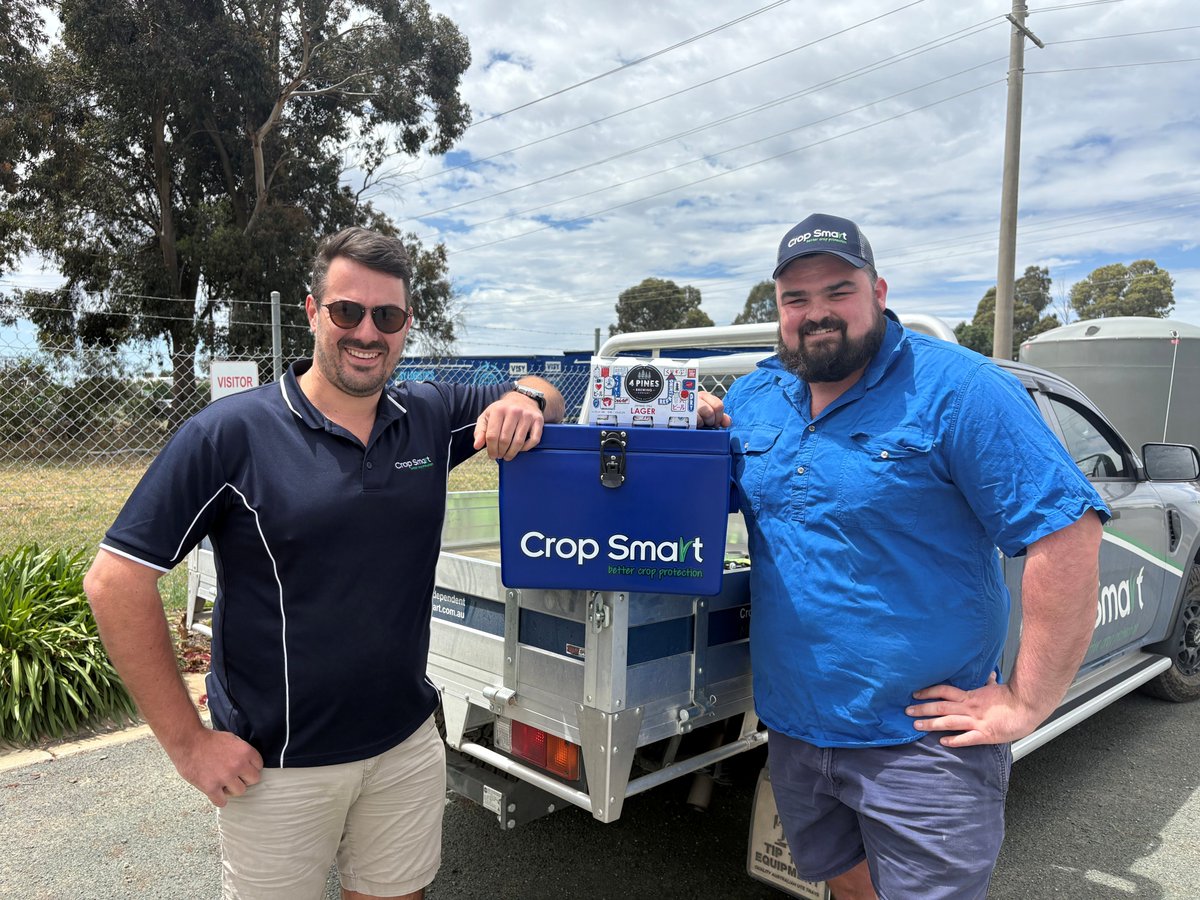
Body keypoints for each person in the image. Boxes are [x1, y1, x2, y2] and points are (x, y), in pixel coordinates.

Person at [83, 226, 564, 900]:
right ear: (313, 312)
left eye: (387, 317)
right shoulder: (231, 433)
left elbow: (546, 389)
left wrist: (526, 400)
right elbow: (114, 581)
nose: (367, 332)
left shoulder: (425, 414)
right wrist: (190, 745)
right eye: (347, 311)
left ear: (405, 327)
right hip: (278, 767)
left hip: (403, 746)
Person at [720, 213, 1107, 900]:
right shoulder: (753, 398)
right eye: (796, 299)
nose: (817, 314)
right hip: (797, 730)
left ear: (878, 291)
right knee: (847, 888)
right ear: (777, 308)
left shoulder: (961, 390)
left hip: (924, 743)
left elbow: (1066, 533)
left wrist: (1026, 702)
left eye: (839, 291)